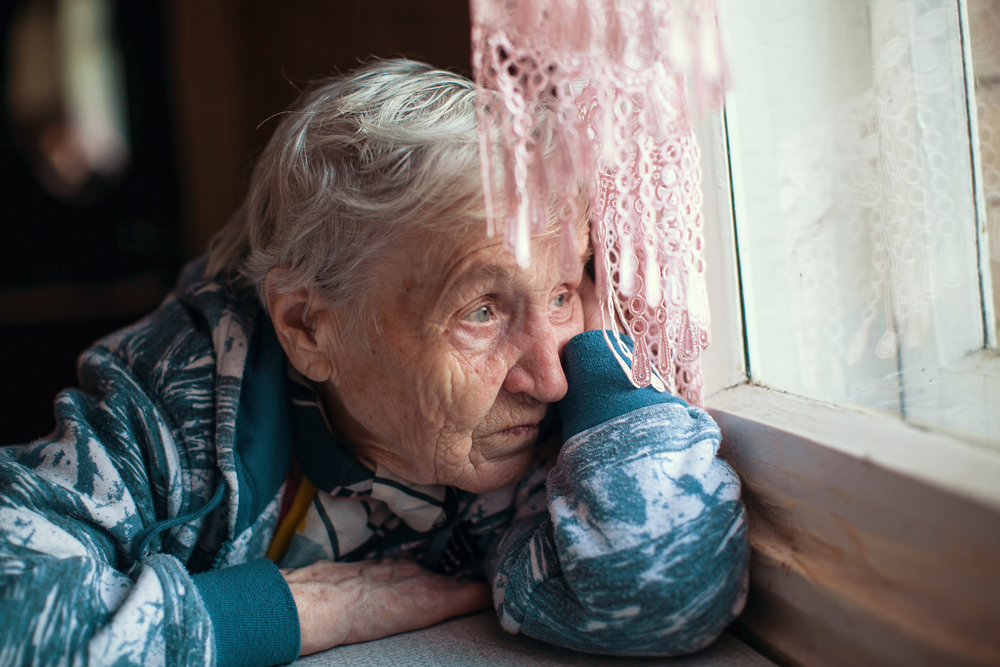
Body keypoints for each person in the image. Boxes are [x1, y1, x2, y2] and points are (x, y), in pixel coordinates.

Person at [0, 59, 749, 667]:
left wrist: (609, 369)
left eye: (560, 292)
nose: (549, 377)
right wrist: (296, 610)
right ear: (308, 326)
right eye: (481, 311)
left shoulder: (539, 425)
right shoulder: (177, 398)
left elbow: (663, 591)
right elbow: (20, 616)